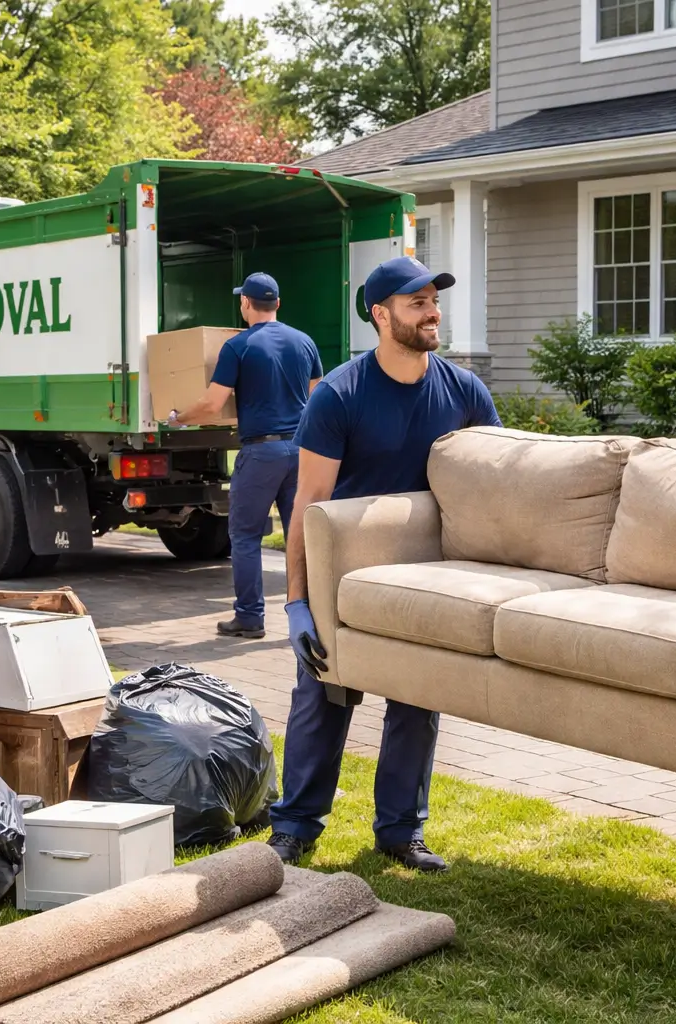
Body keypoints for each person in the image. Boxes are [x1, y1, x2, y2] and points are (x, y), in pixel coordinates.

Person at [265, 256, 500, 873]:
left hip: (427, 575)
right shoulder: (340, 394)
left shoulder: (465, 390)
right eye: (416, 301)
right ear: (380, 314)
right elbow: (308, 506)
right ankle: (295, 826)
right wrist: (296, 602)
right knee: (323, 695)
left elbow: (495, 482)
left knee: (417, 700)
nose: (432, 311)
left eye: (433, 300)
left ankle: (400, 831)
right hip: (346, 575)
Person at [169, 272, 322, 640]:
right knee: (301, 537)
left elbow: (212, 404)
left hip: (261, 453)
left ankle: (250, 617)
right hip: (301, 451)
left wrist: (179, 418)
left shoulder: (238, 346)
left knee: (245, 536)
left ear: (246, 304)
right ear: (278, 304)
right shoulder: (304, 342)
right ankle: (312, 620)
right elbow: (318, 398)